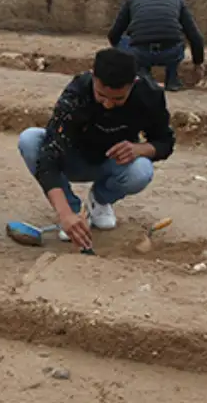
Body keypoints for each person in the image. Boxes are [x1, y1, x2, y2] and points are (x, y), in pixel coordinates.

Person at [17, 47, 175, 251]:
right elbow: (50, 154)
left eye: (118, 99)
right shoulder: (77, 93)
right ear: (93, 77)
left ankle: (99, 202)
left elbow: (165, 142)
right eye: (101, 95)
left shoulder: (149, 95)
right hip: (72, 158)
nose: (108, 104)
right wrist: (65, 214)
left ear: (133, 83)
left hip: (111, 164)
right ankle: (75, 213)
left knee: (141, 170)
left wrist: (139, 149)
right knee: (30, 139)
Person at [106, 0, 206, 91]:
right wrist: (198, 64)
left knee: (124, 42)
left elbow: (114, 34)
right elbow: (195, 36)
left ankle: (142, 74)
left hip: (141, 53)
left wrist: (118, 54)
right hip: (170, 52)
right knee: (179, 41)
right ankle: (172, 79)